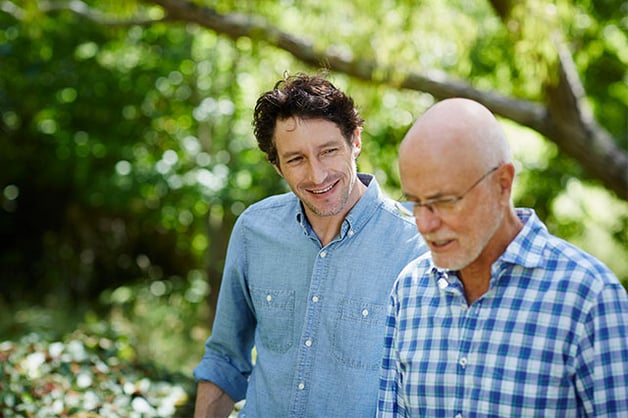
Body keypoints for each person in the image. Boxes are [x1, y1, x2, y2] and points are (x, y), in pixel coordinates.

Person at [193, 73, 427, 417]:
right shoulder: (253, 231)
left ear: (355, 140)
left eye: (328, 151)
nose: (317, 176)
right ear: (277, 165)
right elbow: (225, 358)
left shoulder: (415, 246)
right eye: (296, 159)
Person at [378, 97, 628, 417]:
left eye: (445, 201)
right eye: (415, 202)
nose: (425, 224)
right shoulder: (408, 290)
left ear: (503, 184)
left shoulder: (590, 297)